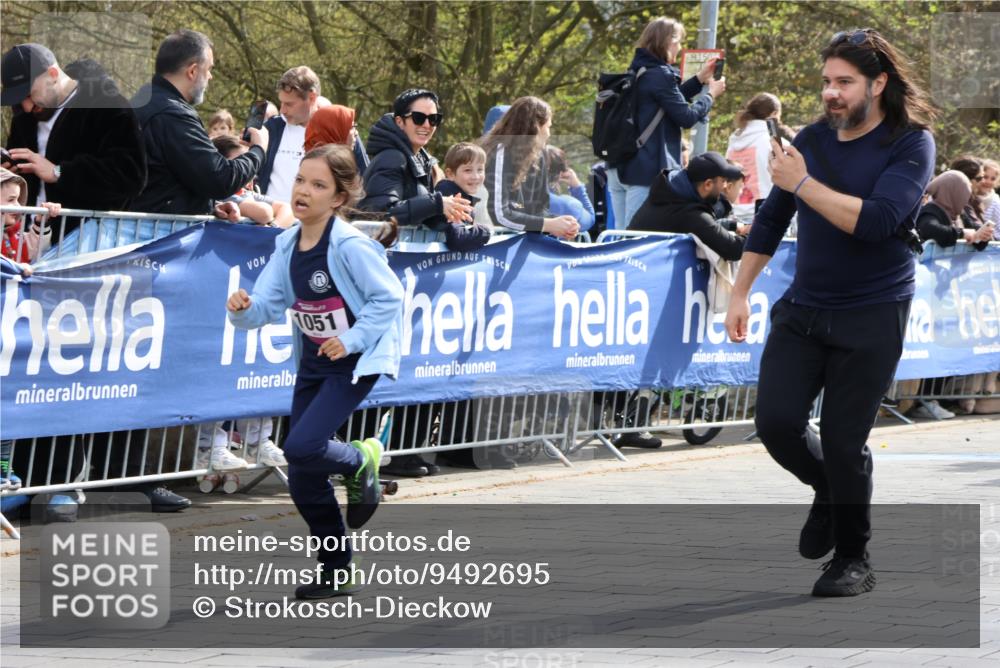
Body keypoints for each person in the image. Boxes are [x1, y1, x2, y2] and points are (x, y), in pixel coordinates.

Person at [725, 28, 936, 597]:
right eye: (826, 82)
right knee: (775, 424)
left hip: (874, 309)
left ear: (878, 83)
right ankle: (830, 490)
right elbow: (771, 218)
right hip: (806, 308)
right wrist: (740, 291)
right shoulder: (814, 140)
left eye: (844, 82)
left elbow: (877, 221)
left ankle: (853, 558)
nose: (831, 93)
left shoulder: (911, 143)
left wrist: (804, 184)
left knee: (845, 443)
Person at [227, 144, 403, 599]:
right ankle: (337, 566)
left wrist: (353, 338)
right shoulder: (287, 242)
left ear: (339, 198)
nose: (304, 191)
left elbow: (389, 298)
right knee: (303, 471)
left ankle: (360, 459)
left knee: (302, 446)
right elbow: (268, 304)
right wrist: (244, 310)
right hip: (313, 363)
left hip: (353, 364)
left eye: (318, 185)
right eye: (301, 180)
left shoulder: (350, 246)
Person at [359, 88, 472, 477]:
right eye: (419, 118)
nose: (427, 125)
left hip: (408, 281)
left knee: (415, 361)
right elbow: (380, 211)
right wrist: (437, 205)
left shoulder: (420, 158)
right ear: (399, 119)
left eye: (433, 119)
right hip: (380, 279)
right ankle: (350, 453)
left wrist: (450, 215)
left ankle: (402, 449)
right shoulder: (392, 156)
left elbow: (420, 210)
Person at [1, 43, 146, 235]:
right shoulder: (23, 118)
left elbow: (131, 175)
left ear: (53, 75)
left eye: (29, 95)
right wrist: (8, 173)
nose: (26, 107)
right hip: (26, 243)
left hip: (84, 244)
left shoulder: (108, 106)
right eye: (19, 99)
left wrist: (59, 171)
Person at [130, 30, 268, 216]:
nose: (210, 77)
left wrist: (207, 206)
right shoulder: (173, 115)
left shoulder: (141, 102)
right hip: (154, 237)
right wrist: (258, 150)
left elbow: (167, 178)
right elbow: (220, 179)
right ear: (193, 71)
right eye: (209, 69)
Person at [605, 17, 724, 227]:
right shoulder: (660, 75)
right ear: (668, 42)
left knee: (620, 239)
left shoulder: (638, 71)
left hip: (620, 166)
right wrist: (710, 95)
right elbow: (685, 117)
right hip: (643, 171)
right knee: (636, 241)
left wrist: (698, 80)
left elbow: (667, 101)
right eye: (678, 42)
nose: (680, 47)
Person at [481, 95, 578, 239]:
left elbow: (539, 211)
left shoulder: (539, 156)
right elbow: (499, 215)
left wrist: (561, 224)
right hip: (492, 247)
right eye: (548, 127)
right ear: (536, 126)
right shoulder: (500, 153)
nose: (549, 134)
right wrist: (548, 225)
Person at [629, 151, 748, 261]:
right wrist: (754, 233)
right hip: (638, 270)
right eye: (723, 181)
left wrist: (733, 225)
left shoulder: (672, 189)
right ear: (707, 184)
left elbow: (713, 222)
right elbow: (733, 250)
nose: (725, 186)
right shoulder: (690, 214)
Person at [257, 66, 322, 203]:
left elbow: (362, 180)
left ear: (311, 98)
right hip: (269, 220)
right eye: (281, 103)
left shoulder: (339, 130)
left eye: (289, 104)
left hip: (314, 222)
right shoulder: (271, 129)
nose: (282, 110)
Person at [726, 93, 794, 209]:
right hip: (765, 212)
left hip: (735, 211)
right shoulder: (775, 143)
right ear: (773, 114)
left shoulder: (734, 141)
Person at [211, 134, 294, 227]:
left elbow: (287, 208)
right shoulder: (224, 196)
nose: (247, 167)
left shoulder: (246, 193)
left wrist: (272, 228)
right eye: (240, 162)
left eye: (248, 161)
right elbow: (264, 213)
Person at [433, 142, 492, 249]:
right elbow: (458, 238)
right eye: (468, 170)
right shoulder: (451, 195)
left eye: (480, 170)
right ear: (450, 174)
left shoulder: (460, 193)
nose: (476, 176)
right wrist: (486, 232)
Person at [916, 170, 993, 250]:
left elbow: (973, 231)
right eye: (964, 194)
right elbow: (928, 229)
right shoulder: (930, 211)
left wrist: (982, 236)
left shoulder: (959, 214)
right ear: (954, 193)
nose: (966, 200)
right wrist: (962, 233)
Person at [1, 167, 59, 262]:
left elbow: (35, 250)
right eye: (11, 199)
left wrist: (41, 221)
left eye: (18, 199)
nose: (18, 206)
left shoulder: (13, 234)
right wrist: (16, 268)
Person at [304, 103, 369, 173]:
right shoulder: (318, 169)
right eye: (351, 127)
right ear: (333, 131)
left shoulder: (310, 162)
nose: (356, 133)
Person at [545, 146, 596, 233]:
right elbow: (590, 220)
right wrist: (577, 187)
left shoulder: (517, 199)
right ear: (561, 172)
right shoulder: (567, 205)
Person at [976, 158, 999, 231]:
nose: (988, 182)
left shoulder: (995, 201)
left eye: (993, 179)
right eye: (985, 177)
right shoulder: (969, 197)